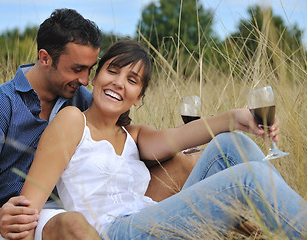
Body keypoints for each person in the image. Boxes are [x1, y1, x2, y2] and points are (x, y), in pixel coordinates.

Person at [0, 8, 197, 240]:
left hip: (86, 210)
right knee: (73, 225)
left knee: (185, 164)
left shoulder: (82, 97)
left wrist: (178, 145)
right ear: (45, 58)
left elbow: (122, 144)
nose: (86, 79)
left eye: (90, 69)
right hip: (28, 224)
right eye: (77, 68)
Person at [20, 40, 307, 240]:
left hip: (154, 219)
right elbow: (29, 206)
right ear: (95, 78)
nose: (119, 83)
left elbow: (180, 137)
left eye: (132, 80)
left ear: (139, 97)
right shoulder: (73, 121)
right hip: (112, 232)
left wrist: (236, 117)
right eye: (113, 71)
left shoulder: (134, 135)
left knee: (231, 145)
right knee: (248, 177)